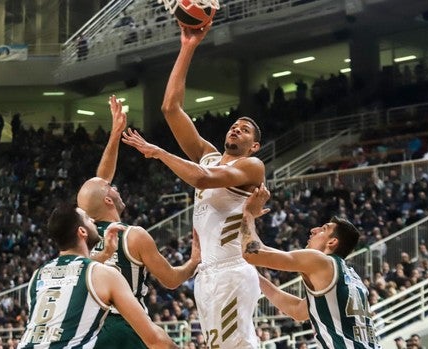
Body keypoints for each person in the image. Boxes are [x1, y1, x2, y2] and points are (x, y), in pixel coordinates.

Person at [121, 24, 265, 348]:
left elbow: (201, 179)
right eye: (234, 126)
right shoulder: (208, 155)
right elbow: (171, 108)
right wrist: (188, 46)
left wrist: (159, 153)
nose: (236, 130)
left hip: (232, 268)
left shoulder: (252, 167)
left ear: (254, 146)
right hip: (207, 273)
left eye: (244, 131)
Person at [77, 96, 201, 349]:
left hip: (90, 330)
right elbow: (171, 280)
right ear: (109, 201)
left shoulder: (80, 234)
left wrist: (115, 136)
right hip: (127, 324)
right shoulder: (133, 236)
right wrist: (193, 262)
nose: (116, 188)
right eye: (113, 189)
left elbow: (97, 187)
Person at [16, 204, 177, 349]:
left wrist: (106, 253)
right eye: (87, 218)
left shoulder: (38, 275)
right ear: (82, 231)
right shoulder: (103, 274)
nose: (93, 220)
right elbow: (155, 340)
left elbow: (77, 270)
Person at [239, 184, 380, 349]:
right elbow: (297, 310)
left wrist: (247, 213)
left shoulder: (321, 260)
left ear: (332, 242)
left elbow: (252, 252)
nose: (313, 230)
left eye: (323, 229)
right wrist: (255, 276)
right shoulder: (350, 277)